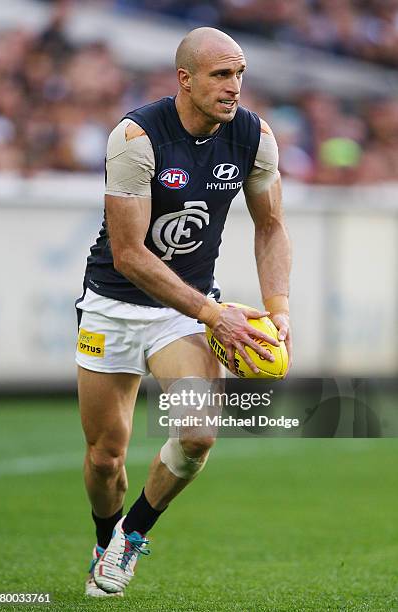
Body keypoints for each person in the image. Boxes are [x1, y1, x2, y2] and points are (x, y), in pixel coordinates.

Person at [75, 26, 292, 598]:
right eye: (222, 75)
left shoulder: (253, 136)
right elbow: (129, 255)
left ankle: (131, 539)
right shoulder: (135, 137)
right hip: (113, 307)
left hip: (184, 314)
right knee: (104, 458)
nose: (235, 86)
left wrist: (278, 308)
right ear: (185, 79)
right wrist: (213, 313)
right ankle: (105, 537)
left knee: (196, 435)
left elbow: (271, 227)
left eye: (241, 74)